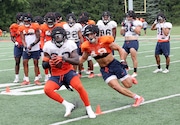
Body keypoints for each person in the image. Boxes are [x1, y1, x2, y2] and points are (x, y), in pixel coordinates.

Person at [80, 25, 144, 107]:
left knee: (128, 85)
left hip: (114, 64)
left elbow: (119, 49)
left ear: (95, 33)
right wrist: (70, 64)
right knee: (116, 86)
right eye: (87, 35)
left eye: (90, 34)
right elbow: (83, 59)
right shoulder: (87, 46)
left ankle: (130, 78)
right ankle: (137, 98)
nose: (89, 36)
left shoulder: (105, 41)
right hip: (104, 69)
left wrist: (122, 60)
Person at [42, 27, 96, 118]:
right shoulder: (48, 45)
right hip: (56, 74)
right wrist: (49, 63)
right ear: (52, 37)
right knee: (47, 90)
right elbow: (44, 64)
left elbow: (76, 60)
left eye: (60, 36)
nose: (58, 38)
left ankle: (89, 108)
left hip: (68, 72)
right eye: (56, 36)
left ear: (64, 36)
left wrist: (64, 58)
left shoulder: (70, 44)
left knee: (79, 86)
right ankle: (67, 105)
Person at [19, 13, 41, 85]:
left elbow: (38, 37)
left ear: (30, 21)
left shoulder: (35, 26)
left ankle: (36, 78)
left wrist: (32, 45)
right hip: (26, 48)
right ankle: (26, 79)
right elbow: (22, 39)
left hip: (35, 48)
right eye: (24, 21)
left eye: (27, 21)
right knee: (25, 62)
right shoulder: (22, 28)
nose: (26, 23)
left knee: (36, 63)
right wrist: (25, 47)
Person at [120, 10, 142, 77]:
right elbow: (121, 33)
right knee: (122, 57)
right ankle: (126, 68)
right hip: (126, 41)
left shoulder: (137, 22)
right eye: (127, 16)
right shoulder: (126, 22)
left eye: (129, 17)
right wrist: (123, 27)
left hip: (133, 41)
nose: (128, 18)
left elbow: (138, 32)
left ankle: (135, 72)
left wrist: (132, 26)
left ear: (133, 17)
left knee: (133, 57)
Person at [9, 12, 24, 83]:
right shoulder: (14, 26)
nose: (21, 22)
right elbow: (12, 37)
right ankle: (17, 77)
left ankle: (25, 77)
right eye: (20, 20)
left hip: (25, 45)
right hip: (18, 46)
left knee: (25, 62)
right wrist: (16, 42)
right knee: (17, 61)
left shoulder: (26, 26)